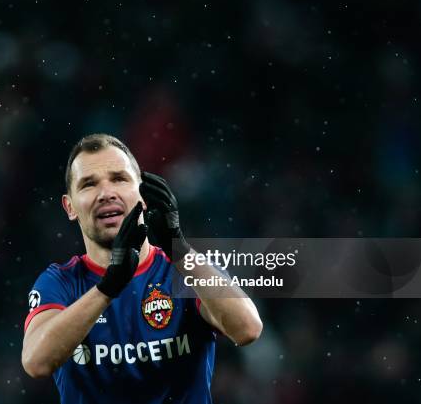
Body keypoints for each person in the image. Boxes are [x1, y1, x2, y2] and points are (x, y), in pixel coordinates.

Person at [21, 134, 262, 403]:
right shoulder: (60, 282)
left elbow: (248, 329)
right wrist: (108, 288)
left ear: (143, 195)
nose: (106, 193)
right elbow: (35, 362)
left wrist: (179, 251)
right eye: (89, 184)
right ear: (70, 207)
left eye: (119, 179)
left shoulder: (187, 271)